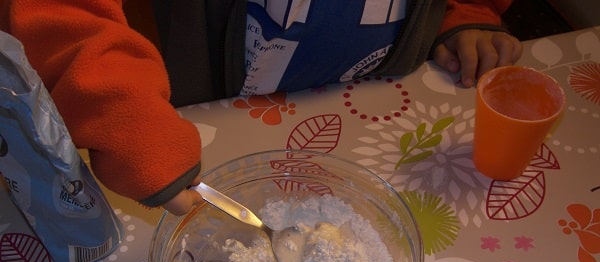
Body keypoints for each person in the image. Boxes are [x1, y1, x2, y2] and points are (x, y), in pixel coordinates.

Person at [0, 0, 522, 215]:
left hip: (389, 90)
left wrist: (468, 10)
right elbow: (60, 11)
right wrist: (122, 110)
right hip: (208, 107)